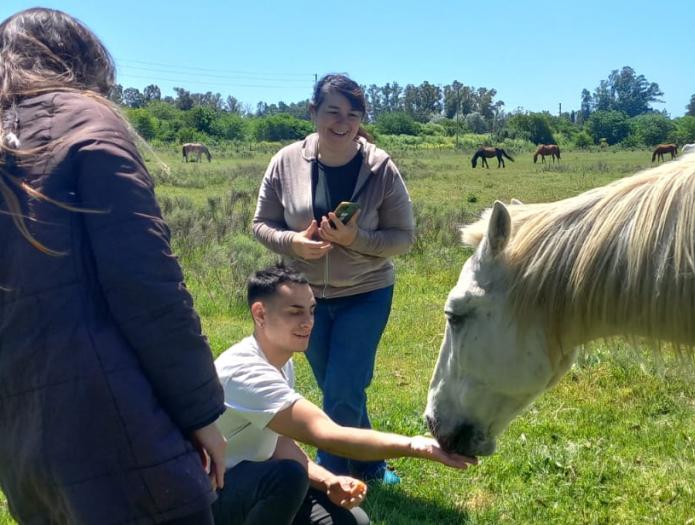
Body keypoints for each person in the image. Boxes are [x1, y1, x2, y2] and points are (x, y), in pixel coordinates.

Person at [0, 8, 225, 525]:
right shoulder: (87, 122)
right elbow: (148, 285)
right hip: (122, 434)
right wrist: (200, 413)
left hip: (26, 452)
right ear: (81, 58)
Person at [212, 264, 475, 525]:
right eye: (295, 312)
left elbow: (277, 443)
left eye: (312, 311)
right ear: (260, 314)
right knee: (288, 476)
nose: (308, 322)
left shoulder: (280, 362)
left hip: (258, 486)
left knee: (352, 521)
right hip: (212, 498)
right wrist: (413, 445)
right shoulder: (245, 372)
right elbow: (327, 434)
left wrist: (328, 481)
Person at [253, 74, 416, 484]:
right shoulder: (285, 161)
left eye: (353, 114)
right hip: (305, 300)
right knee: (337, 389)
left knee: (343, 389)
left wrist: (355, 239)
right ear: (313, 112)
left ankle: (331, 475)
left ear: (361, 118)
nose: (342, 122)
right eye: (333, 111)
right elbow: (260, 224)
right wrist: (293, 243)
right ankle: (372, 463)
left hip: (366, 293)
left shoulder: (380, 168)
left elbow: (403, 238)